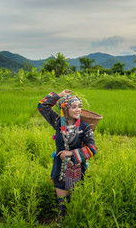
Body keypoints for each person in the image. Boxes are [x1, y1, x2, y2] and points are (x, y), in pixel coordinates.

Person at [37, 89, 97, 221]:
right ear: (65, 109)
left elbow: (92, 149)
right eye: (73, 107)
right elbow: (42, 106)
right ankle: (62, 223)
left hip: (77, 169)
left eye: (80, 107)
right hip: (59, 170)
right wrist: (60, 95)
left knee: (76, 202)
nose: (78, 110)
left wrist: (71, 153)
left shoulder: (85, 126)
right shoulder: (58, 122)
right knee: (62, 205)